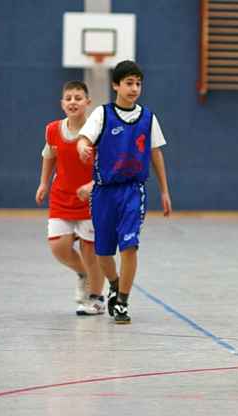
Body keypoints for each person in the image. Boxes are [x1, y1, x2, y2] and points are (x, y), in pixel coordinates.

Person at [76, 60, 172, 324]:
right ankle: (115, 284)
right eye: (129, 83)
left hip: (132, 190)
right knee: (104, 253)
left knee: (129, 246)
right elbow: (84, 138)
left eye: (138, 83)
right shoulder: (102, 114)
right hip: (104, 192)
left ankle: (123, 302)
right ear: (116, 85)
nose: (134, 88)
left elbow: (155, 153)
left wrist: (164, 190)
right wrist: (83, 146)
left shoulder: (148, 117)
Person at [35, 81, 106, 315]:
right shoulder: (53, 129)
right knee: (59, 247)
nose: (73, 102)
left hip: (91, 199)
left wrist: (93, 184)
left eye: (78, 97)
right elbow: (49, 155)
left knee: (90, 251)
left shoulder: (97, 132)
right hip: (61, 196)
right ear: (62, 103)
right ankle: (83, 274)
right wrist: (44, 183)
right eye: (68, 98)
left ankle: (96, 298)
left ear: (88, 102)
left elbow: (108, 166)